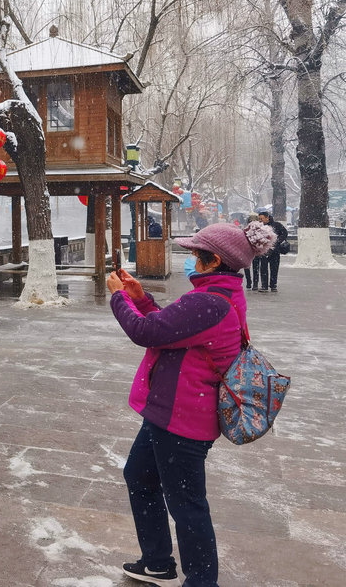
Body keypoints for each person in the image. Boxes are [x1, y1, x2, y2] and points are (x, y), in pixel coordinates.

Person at [107, 221, 275, 587]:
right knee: (139, 476)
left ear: (213, 261)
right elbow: (171, 328)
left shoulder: (208, 301)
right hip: (167, 411)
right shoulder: (219, 293)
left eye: (195, 255)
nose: (191, 261)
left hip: (184, 419)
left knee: (187, 504)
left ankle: (201, 581)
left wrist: (118, 297)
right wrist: (139, 297)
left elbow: (146, 332)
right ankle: (157, 562)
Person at [256, 209, 288, 293]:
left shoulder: (277, 225)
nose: (260, 220)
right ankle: (264, 286)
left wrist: (278, 241)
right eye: (259, 218)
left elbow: (284, 233)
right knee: (263, 268)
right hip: (264, 251)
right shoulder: (260, 227)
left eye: (261, 218)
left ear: (267, 218)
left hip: (275, 251)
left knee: (274, 268)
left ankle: (273, 285)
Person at [242, 214, 262, 290]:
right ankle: (250, 282)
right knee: (249, 267)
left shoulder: (259, 229)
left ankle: (253, 283)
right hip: (249, 250)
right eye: (251, 221)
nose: (252, 222)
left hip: (254, 250)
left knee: (254, 267)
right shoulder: (246, 229)